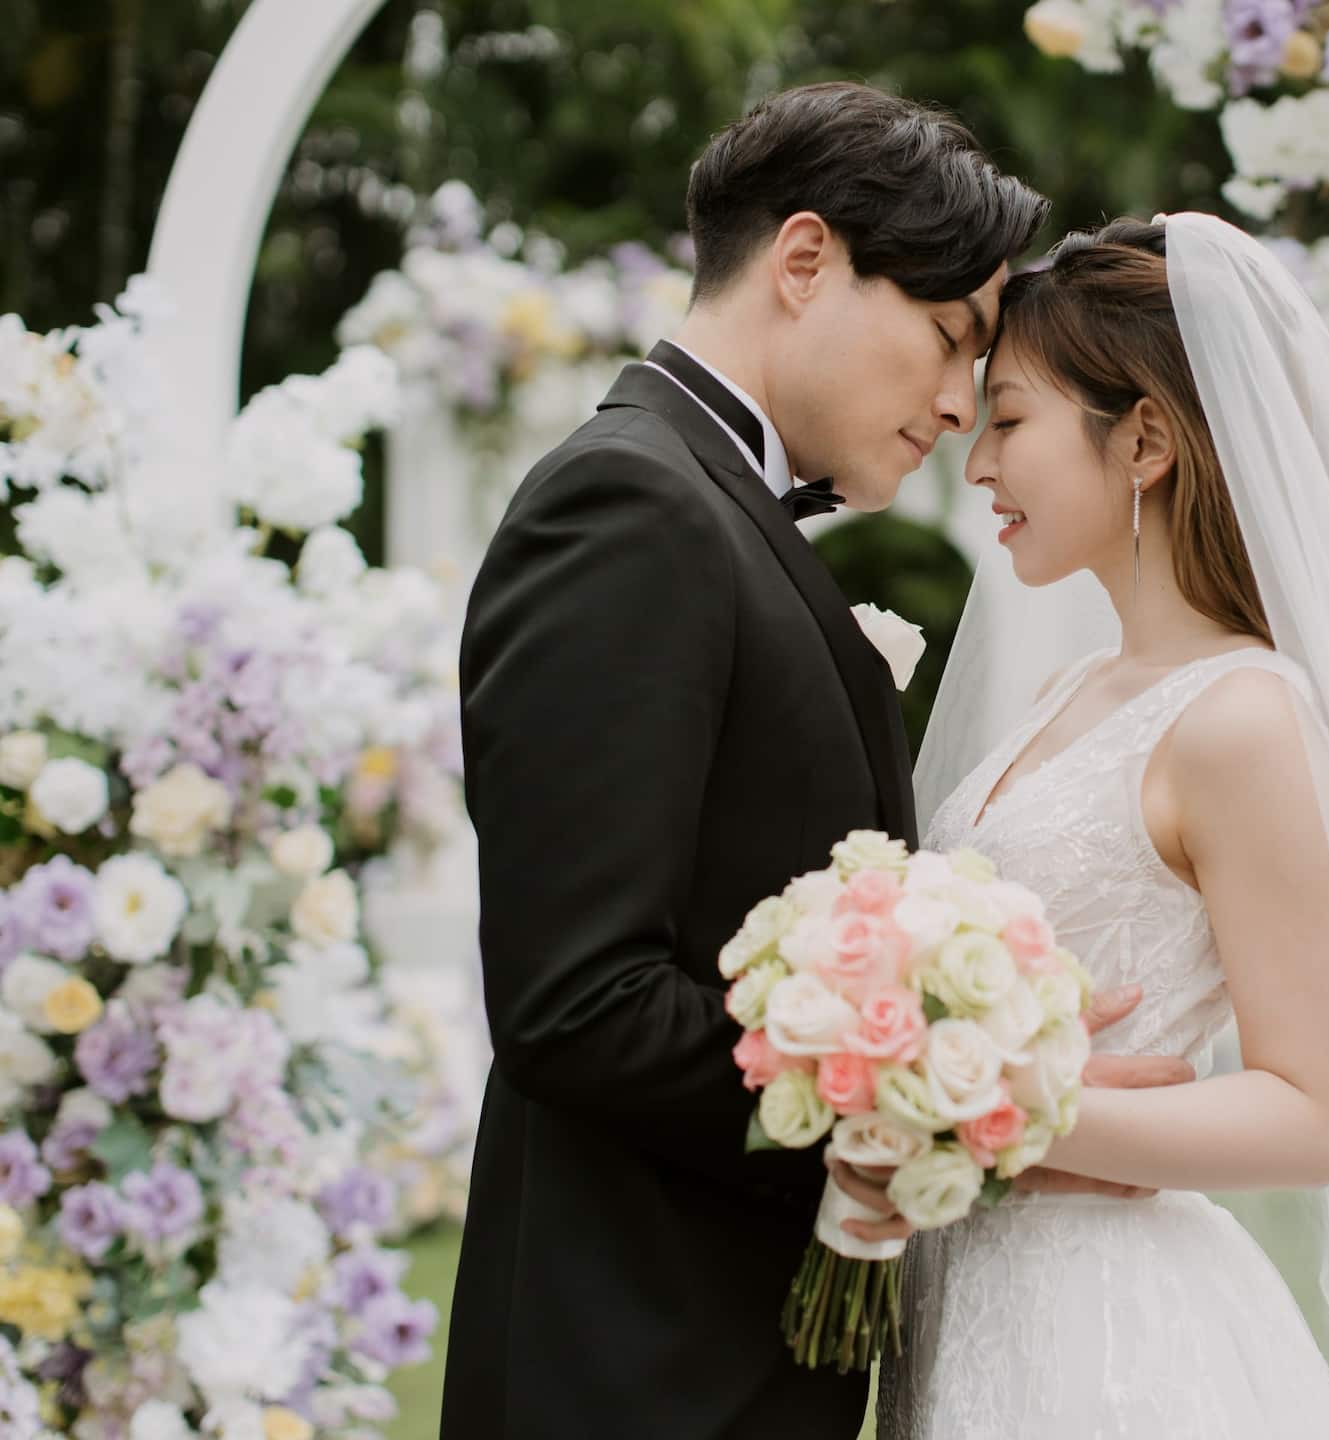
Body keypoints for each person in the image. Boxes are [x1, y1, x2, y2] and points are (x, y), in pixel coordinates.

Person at [444, 84, 1190, 1440]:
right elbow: (579, 1000)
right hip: (634, 1373)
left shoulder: (705, 504)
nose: (964, 404)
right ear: (803, 263)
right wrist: (951, 1108)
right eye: (952, 337)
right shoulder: (631, 506)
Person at [880, 215, 1329, 1439]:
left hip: (1105, 1339)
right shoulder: (1063, 693)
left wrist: (1001, 1114)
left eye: (1010, 422)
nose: (978, 465)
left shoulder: (1243, 719)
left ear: (1144, 438)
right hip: (968, 1291)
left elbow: (1316, 1110)